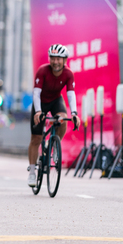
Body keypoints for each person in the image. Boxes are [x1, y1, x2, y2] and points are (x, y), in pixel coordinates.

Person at [27, 44, 80, 187]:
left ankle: (55, 145)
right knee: (36, 138)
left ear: (65, 60)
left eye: (59, 59)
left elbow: (71, 94)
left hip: (56, 101)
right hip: (40, 103)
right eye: (53, 58)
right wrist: (38, 111)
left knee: (63, 119)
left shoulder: (68, 74)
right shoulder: (42, 71)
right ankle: (32, 172)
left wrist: (74, 113)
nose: (55, 62)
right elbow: (36, 93)